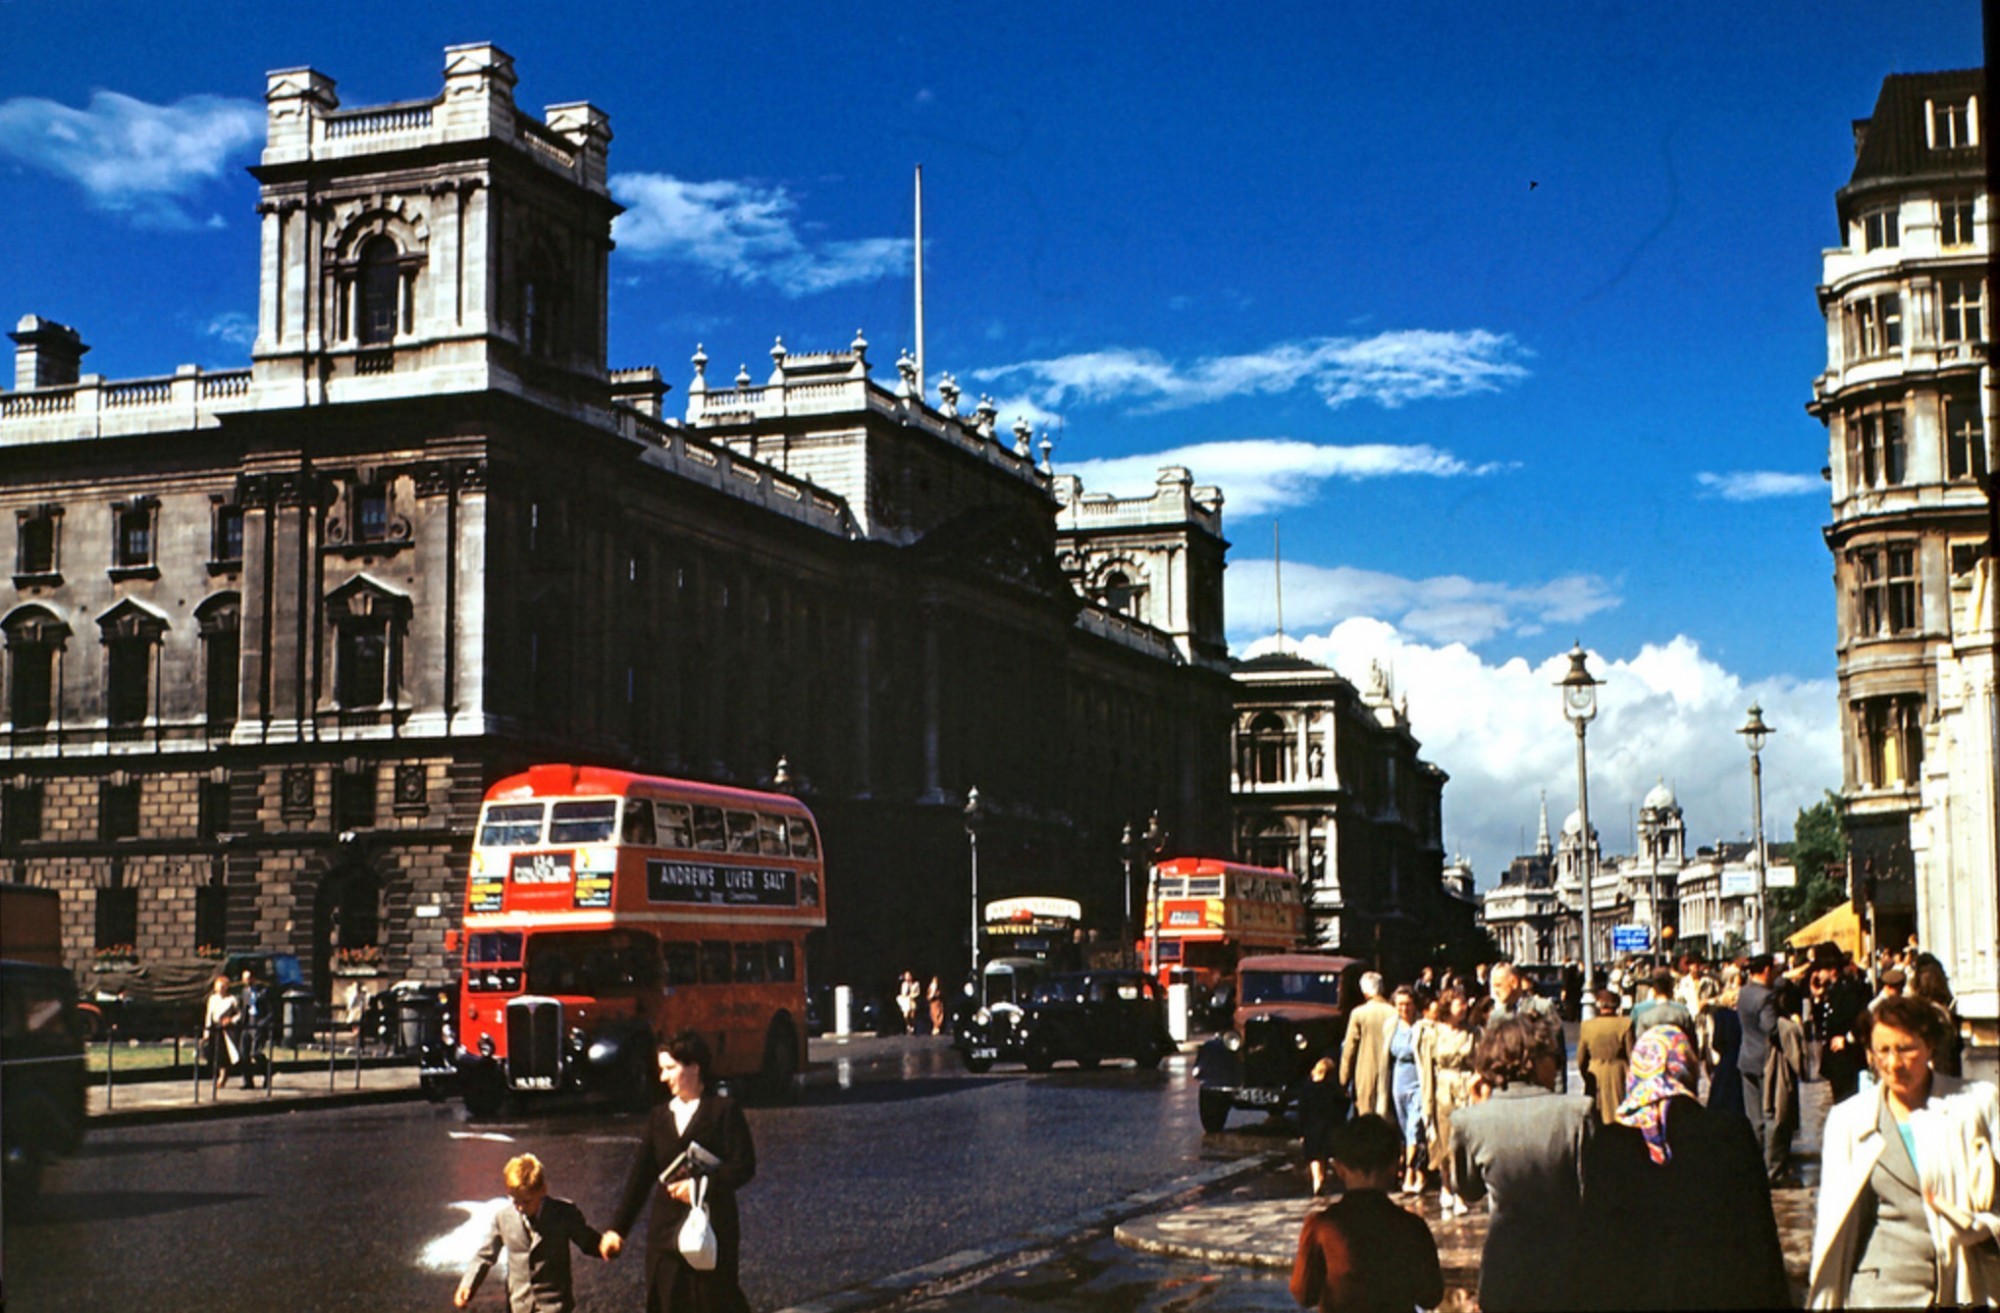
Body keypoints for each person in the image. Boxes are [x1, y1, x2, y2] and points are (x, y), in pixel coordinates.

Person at [1807, 993, 2000, 1307]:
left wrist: (1985, 1227)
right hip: (1880, 1292)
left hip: (1964, 1286)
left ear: (1930, 1046)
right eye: (1882, 1050)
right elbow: (1833, 1222)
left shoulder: (1974, 1104)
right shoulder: (1850, 1120)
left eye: (1906, 1048)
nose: (1894, 1064)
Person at [1583, 1026, 1791, 1310]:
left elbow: (1596, 1254)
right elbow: (1761, 1245)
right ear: (1685, 1064)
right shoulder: (1731, 1134)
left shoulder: (1606, 1145)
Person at [1450, 1016, 1599, 1311]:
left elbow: (1468, 1190)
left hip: (1505, 1266)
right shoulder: (1577, 1113)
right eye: (1553, 1058)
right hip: (1569, 1264)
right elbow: (1594, 1191)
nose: (1557, 1067)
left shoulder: (1468, 1121)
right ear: (1534, 1061)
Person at [602, 1031, 756, 1313]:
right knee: (667, 1301)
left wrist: (700, 1187)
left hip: (712, 1227)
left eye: (670, 1068)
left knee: (714, 1302)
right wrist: (617, 1229)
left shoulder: (723, 1111)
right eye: (661, 1069)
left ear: (694, 1067)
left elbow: (744, 1166)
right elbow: (640, 1176)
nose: (663, 1077)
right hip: (665, 1231)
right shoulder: (659, 1117)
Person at [1289, 1114, 1445, 1313]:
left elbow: (1303, 1293)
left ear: (1340, 1169)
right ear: (1394, 1167)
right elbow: (1430, 1296)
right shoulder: (1412, 1227)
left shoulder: (1320, 1227)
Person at [457, 1152, 604, 1312]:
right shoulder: (503, 1218)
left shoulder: (563, 1213)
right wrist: (468, 1284)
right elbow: (485, 1255)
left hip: (554, 1306)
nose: (520, 1207)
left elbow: (586, 1240)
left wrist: (606, 1245)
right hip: (519, 1306)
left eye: (526, 1201)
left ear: (543, 1190)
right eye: (514, 1201)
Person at [1418, 987, 1478, 1218]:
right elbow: (1426, 1069)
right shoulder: (1433, 1033)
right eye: (1458, 1003)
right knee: (1443, 1140)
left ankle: (1461, 1192)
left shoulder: (1473, 1033)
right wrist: (1427, 1099)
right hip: (1443, 1087)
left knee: (1462, 1142)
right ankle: (1445, 1185)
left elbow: (1478, 1063)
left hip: (1465, 1085)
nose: (1463, 1008)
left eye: (1464, 1003)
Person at [1737, 953, 1785, 1183]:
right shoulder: (1766, 997)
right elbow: (1771, 1027)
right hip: (1766, 1060)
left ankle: (1753, 1165)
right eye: (1774, 969)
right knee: (1771, 1115)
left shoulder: (1744, 992)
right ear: (1766, 970)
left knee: (1752, 1117)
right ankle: (1772, 1169)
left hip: (1746, 1057)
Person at [1763, 980, 1809, 1186]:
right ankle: (1776, 1170)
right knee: (1781, 1118)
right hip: (1782, 1075)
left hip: (1768, 1071)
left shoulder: (1768, 1023)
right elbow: (1798, 1059)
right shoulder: (1788, 1026)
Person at [1339, 971, 1396, 1119]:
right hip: (1391, 1071)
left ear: (1364, 991)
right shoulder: (1394, 1012)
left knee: (1366, 1117)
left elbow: (1349, 1049)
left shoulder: (1358, 1013)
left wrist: (1343, 1078)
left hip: (1365, 1070)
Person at [1385, 987, 1425, 1194]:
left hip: (1418, 1080)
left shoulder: (1422, 1026)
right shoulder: (1391, 1026)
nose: (1404, 1008)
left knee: (1414, 1128)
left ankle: (1410, 1172)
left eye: (1407, 1004)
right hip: (1398, 1080)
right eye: (1400, 1004)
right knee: (1403, 1128)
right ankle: (1417, 1169)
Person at [1576, 988, 1633, 1126]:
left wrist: (1587, 1074)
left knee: (1596, 1116)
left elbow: (1581, 1059)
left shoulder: (1587, 1026)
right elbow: (1632, 1055)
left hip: (1595, 1073)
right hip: (1619, 1074)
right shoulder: (1625, 1023)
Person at [201, 974, 241, 1095]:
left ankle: (223, 1076)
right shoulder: (212, 999)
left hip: (226, 1030)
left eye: (223, 987)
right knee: (213, 1052)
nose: (221, 989)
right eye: (219, 987)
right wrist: (206, 1030)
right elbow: (209, 1015)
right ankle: (217, 1072)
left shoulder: (232, 999)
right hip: (214, 1028)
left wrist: (231, 1020)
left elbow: (239, 1014)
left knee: (223, 1053)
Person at [1630, 967, 1695, 1039]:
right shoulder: (1682, 1012)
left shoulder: (1639, 1011)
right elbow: (1691, 1042)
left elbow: (1635, 1039)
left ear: (1653, 989)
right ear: (1671, 988)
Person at [238, 968, 273, 1090]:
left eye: (248, 978)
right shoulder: (245, 992)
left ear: (253, 978)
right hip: (247, 1025)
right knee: (243, 1054)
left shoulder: (263, 992)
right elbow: (244, 1009)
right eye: (244, 979)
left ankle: (267, 1071)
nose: (246, 981)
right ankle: (248, 1081)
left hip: (258, 1023)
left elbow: (271, 1012)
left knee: (256, 1053)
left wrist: (262, 1023)